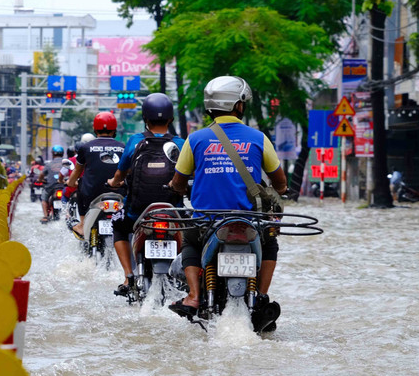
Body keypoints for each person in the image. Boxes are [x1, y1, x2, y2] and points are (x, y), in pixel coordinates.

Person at [168, 76, 287, 330]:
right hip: (250, 221)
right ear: (238, 105)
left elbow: (178, 182)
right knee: (271, 243)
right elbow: (280, 182)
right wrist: (279, 192)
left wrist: (178, 188)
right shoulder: (258, 138)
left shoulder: (196, 139)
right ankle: (262, 296)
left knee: (190, 240)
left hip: (206, 221)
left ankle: (194, 296)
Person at [106, 94, 185, 295]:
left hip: (138, 212)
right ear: (171, 119)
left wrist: (114, 183)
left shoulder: (134, 141)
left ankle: (128, 275)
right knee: (193, 232)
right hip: (172, 211)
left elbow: (119, 173)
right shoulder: (181, 144)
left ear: (145, 118)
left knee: (118, 226)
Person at [67, 112, 126, 238]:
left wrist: (71, 183)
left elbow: (77, 172)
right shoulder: (123, 147)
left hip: (91, 196)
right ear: (114, 129)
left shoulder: (86, 147)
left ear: (95, 129)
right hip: (119, 193)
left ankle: (82, 224)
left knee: (81, 183)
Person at [40, 145, 66, 223]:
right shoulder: (67, 163)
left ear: (52, 154)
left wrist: (40, 180)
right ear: (62, 154)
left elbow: (41, 175)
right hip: (64, 186)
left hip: (51, 187)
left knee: (44, 199)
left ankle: (45, 216)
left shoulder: (49, 164)